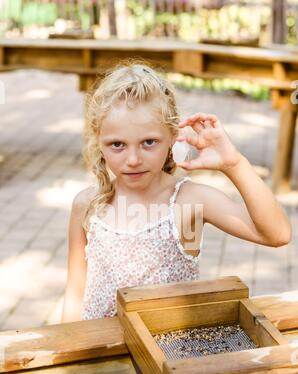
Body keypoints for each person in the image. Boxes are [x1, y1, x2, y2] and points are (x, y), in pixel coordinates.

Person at [61, 61, 291, 323]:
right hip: (100, 356)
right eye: (117, 144)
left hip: (169, 355)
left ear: (172, 136)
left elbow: (278, 234)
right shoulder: (87, 205)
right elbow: (75, 294)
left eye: (149, 142)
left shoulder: (189, 202)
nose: (133, 159)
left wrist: (234, 164)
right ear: (98, 141)